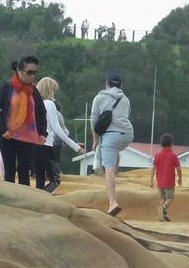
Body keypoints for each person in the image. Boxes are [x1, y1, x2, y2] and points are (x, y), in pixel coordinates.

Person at [0, 56, 47, 186]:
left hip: (28, 138)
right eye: (29, 72)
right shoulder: (6, 88)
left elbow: (41, 112)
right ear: (20, 71)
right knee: (9, 172)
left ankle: (24, 202)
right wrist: (2, 130)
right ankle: (9, 202)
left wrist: (42, 132)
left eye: (35, 73)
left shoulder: (33, 91)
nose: (32, 76)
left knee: (24, 171)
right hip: (8, 137)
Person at [91, 72, 133, 216]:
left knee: (107, 169)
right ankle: (115, 167)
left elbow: (94, 120)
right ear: (121, 85)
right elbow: (125, 115)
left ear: (107, 84)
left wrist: (96, 140)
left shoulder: (99, 97)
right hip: (127, 135)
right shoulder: (125, 99)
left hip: (111, 136)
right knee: (115, 151)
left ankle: (112, 203)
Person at [34, 77, 85, 192]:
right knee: (55, 180)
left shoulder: (33, 103)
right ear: (49, 90)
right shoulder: (49, 104)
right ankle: (43, 197)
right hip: (46, 146)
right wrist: (75, 147)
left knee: (39, 180)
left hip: (33, 146)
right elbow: (57, 129)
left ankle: (37, 201)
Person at [149, 133, 183, 222]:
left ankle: (162, 216)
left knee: (162, 198)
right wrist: (180, 178)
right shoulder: (173, 155)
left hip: (160, 181)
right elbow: (178, 168)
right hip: (169, 181)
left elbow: (153, 168)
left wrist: (151, 180)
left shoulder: (157, 155)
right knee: (170, 198)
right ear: (172, 144)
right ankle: (164, 208)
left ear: (161, 144)